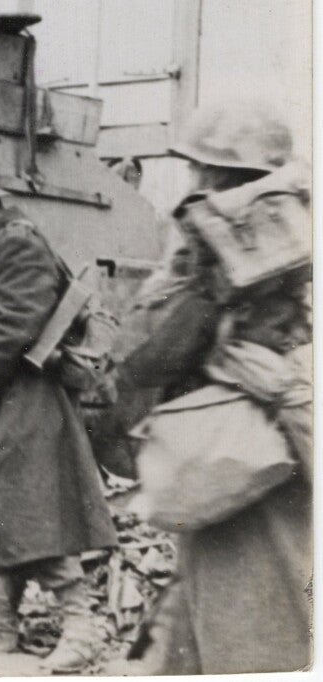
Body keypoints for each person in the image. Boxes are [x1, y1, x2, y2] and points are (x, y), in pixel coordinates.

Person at [116, 100, 310, 673]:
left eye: (207, 171)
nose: (198, 184)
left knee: (255, 638)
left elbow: (145, 356)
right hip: (221, 476)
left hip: (256, 477)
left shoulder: (260, 257)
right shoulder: (220, 252)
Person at [0, 159, 116, 672]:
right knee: (2, 504)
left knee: (32, 510)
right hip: (8, 397)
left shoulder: (17, 244)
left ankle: (81, 628)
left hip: (28, 398)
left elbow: (14, 322)